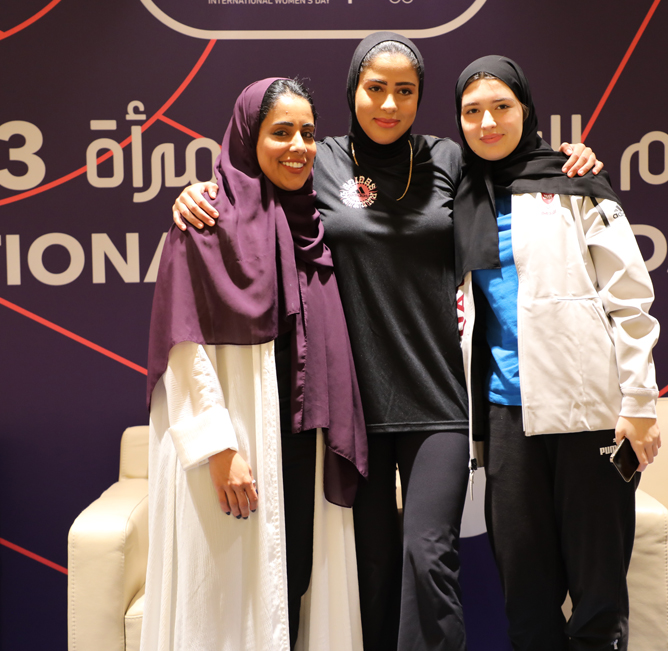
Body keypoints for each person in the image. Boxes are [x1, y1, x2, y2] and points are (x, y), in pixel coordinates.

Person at [171, 34, 603, 651]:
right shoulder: (319, 160)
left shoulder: (448, 159)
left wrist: (572, 161)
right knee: (369, 569)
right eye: (376, 88)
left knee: (430, 557)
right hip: (353, 410)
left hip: (439, 402)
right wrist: (196, 192)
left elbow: (513, 162)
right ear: (354, 90)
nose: (390, 104)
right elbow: (249, 190)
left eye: (406, 91)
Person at [144, 77, 368, 651]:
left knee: (290, 590)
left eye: (308, 133)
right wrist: (219, 447)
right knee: (226, 601)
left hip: (300, 440)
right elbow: (183, 345)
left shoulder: (314, 223)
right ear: (248, 136)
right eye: (280, 132)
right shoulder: (203, 222)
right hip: (234, 445)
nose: (298, 146)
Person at [453, 55, 661, 651]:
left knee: (598, 601)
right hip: (505, 417)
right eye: (471, 112)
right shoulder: (458, 196)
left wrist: (640, 404)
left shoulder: (577, 183)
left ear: (526, 110)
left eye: (501, 107)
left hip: (589, 411)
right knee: (527, 597)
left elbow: (630, 301)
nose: (487, 122)